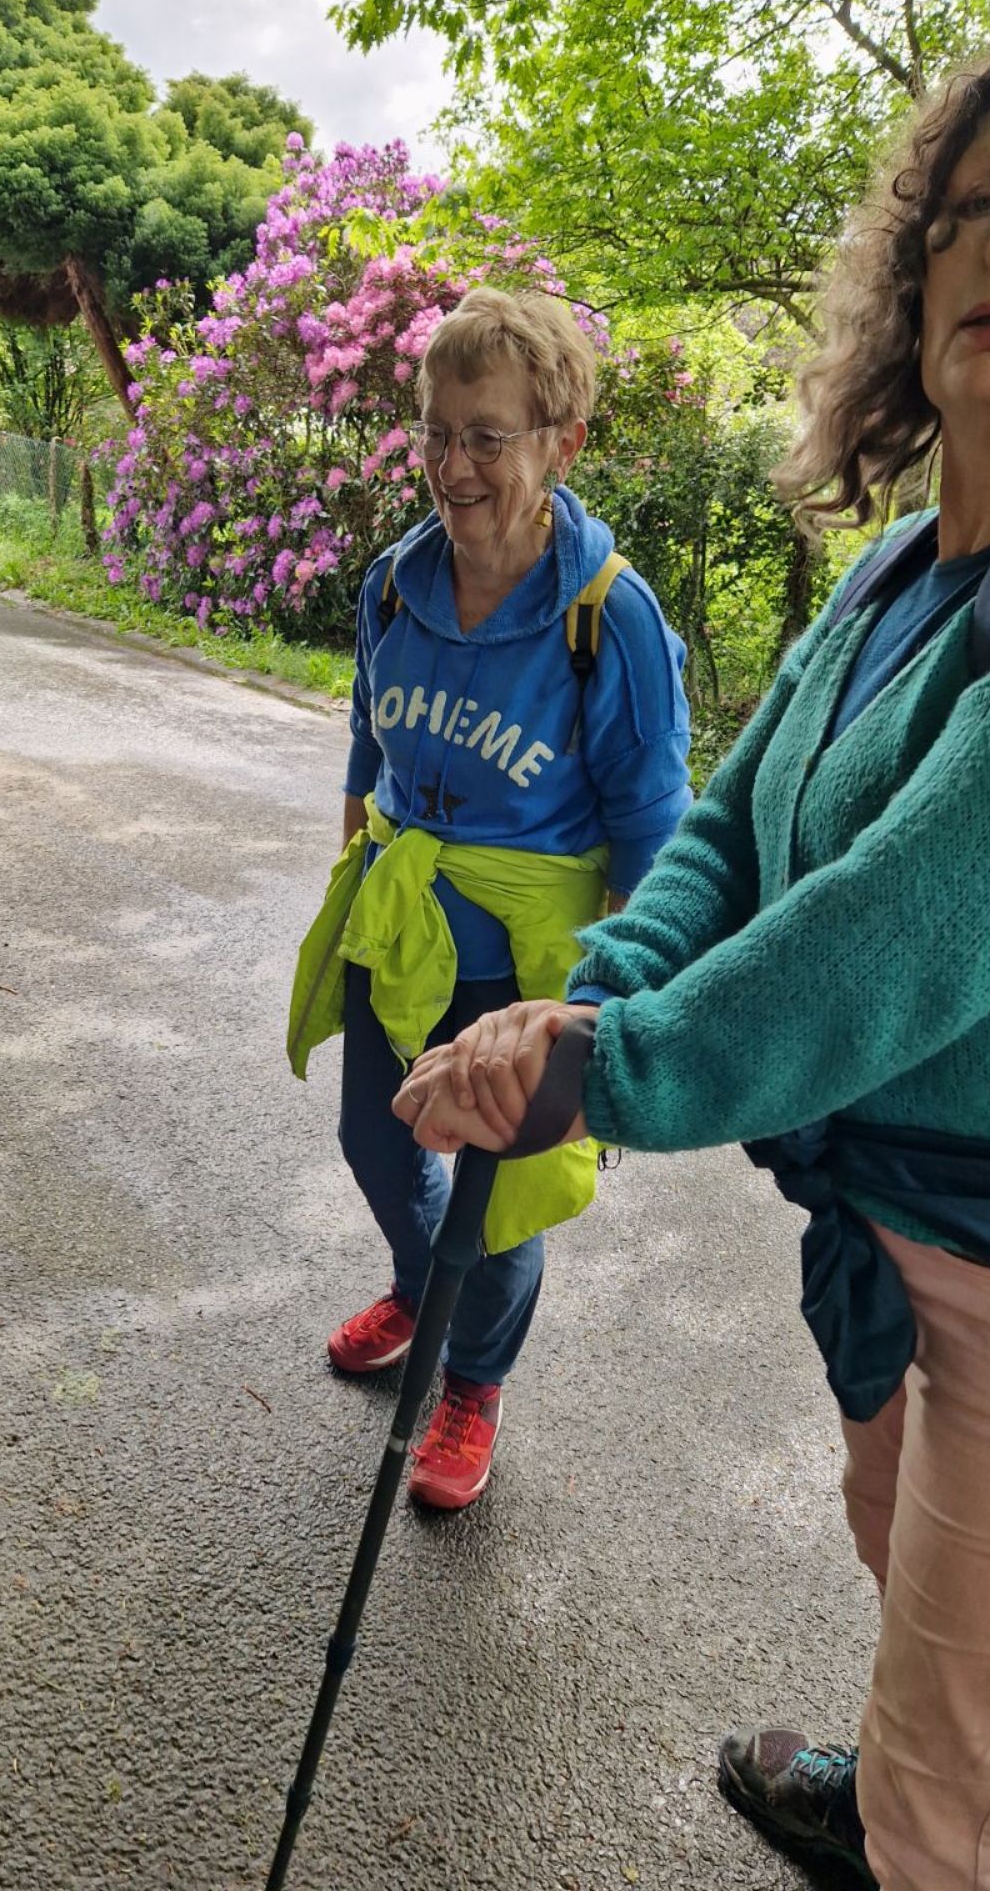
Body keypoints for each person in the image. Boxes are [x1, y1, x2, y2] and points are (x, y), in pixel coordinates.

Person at [395, 0, 990, 1888]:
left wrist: (613, 1066)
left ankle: (916, 1824)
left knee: (972, 1811)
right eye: (979, 202)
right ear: (919, 272)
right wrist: (595, 992)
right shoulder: (899, 567)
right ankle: (894, 1778)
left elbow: (912, 920)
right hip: (889, 1226)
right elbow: (733, 831)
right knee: (918, 1564)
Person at [289, 286, 691, 1509]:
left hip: (527, 958)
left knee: (499, 1194)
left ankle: (474, 1376)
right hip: (400, 926)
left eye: (487, 436)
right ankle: (426, 1288)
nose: (452, 465)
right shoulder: (393, 583)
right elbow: (367, 740)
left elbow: (655, 826)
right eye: (436, 431)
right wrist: (355, 858)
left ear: (562, 443)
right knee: (375, 1138)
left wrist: (609, 1005)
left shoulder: (606, 616)